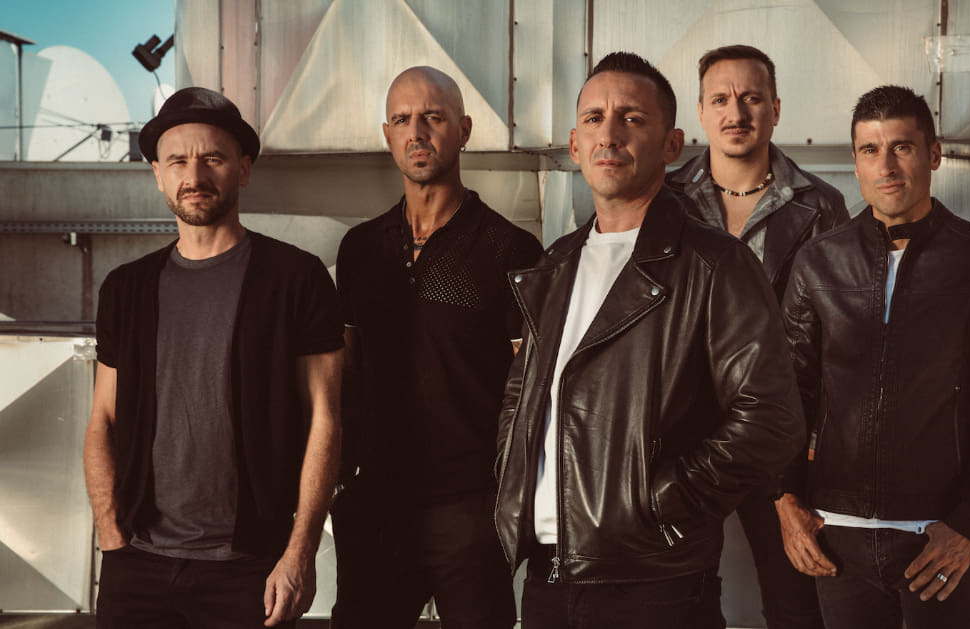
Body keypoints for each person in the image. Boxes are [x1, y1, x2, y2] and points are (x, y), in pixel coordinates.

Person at [494, 51, 805, 629]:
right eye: (594, 119)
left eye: (632, 118)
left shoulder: (715, 263)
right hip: (547, 577)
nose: (609, 134)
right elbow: (523, 397)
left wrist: (660, 503)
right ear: (575, 143)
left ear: (671, 144)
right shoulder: (555, 264)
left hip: (653, 586)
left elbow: (771, 419)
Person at [776, 85, 970, 629]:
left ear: (933, 154)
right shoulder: (818, 263)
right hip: (835, 538)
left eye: (902, 147)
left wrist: (968, 525)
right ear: (855, 161)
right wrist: (783, 499)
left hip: (936, 538)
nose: (887, 166)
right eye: (870, 150)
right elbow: (787, 395)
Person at [84, 87, 344, 628]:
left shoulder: (294, 278)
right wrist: (111, 537)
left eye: (213, 159)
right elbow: (102, 420)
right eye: (177, 161)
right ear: (157, 174)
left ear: (243, 169)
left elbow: (326, 418)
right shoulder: (126, 289)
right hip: (138, 563)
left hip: (251, 568)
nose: (194, 175)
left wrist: (299, 552)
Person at [331, 66, 543, 628]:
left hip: (470, 511)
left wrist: (505, 504)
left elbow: (529, 397)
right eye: (402, 120)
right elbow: (346, 375)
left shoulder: (511, 250)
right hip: (376, 506)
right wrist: (343, 484)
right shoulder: (360, 249)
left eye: (433, 117)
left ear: (464, 130)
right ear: (387, 135)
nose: (417, 132)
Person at [665, 44, 848, 629]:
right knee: (673, 602)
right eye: (720, 99)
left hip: (777, 434)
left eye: (751, 98)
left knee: (795, 605)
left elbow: (834, 341)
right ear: (700, 111)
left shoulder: (819, 206)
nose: (736, 112)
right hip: (677, 431)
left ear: (775, 108)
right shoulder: (664, 201)